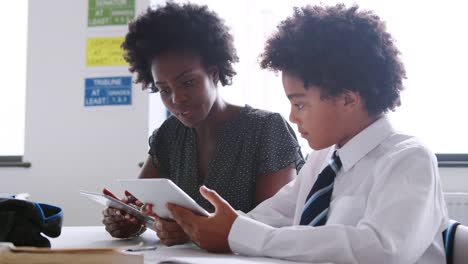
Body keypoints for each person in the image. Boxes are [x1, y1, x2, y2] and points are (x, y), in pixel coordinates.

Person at [166, 4, 449, 263]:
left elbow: (381, 250)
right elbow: (271, 217)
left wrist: (241, 233)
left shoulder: (408, 159)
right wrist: (206, 225)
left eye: (300, 103)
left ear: (349, 100)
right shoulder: (321, 161)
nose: (292, 116)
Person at [101, 2, 304, 246]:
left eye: (187, 83)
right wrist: (127, 220)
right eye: (164, 89)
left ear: (214, 74)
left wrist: (191, 231)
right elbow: (137, 206)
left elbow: (274, 224)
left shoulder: (265, 129)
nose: (176, 99)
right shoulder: (169, 135)